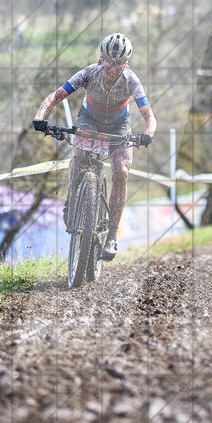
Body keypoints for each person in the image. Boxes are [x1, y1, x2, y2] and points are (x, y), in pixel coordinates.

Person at [32, 33, 157, 259]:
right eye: (108, 61)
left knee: (121, 172)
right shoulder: (88, 73)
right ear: (101, 58)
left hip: (119, 124)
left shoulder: (132, 81)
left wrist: (147, 134)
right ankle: (73, 200)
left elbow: (150, 117)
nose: (112, 67)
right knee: (79, 159)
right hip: (89, 118)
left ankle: (111, 236)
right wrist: (40, 116)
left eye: (118, 63)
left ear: (125, 63)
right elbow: (57, 95)